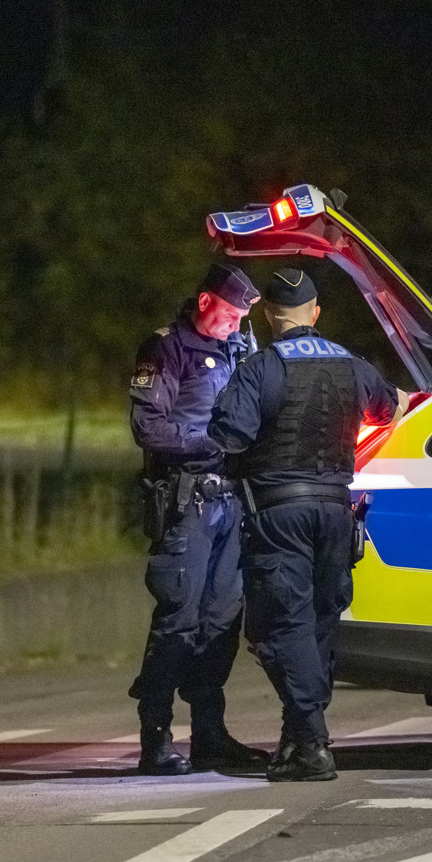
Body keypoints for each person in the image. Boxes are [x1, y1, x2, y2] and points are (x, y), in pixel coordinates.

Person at [208, 266, 407, 782]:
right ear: (316, 313)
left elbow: (228, 435)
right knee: (317, 625)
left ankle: (313, 744)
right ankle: (297, 741)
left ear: (271, 317)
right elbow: (392, 408)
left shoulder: (261, 367)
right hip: (338, 513)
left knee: (278, 627)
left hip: (279, 514)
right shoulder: (353, 364)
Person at [128, 262, 271, 775]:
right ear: (206, 302)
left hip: (232, 504)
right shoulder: (166, 348)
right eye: (230, 315)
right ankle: (156, 735)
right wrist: (209, 448)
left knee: (220, 622)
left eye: (242, 318)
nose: (236, 325)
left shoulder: (239, 347)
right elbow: (149, 425)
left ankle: (210, 736)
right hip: (187, 503)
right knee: (178, 619)